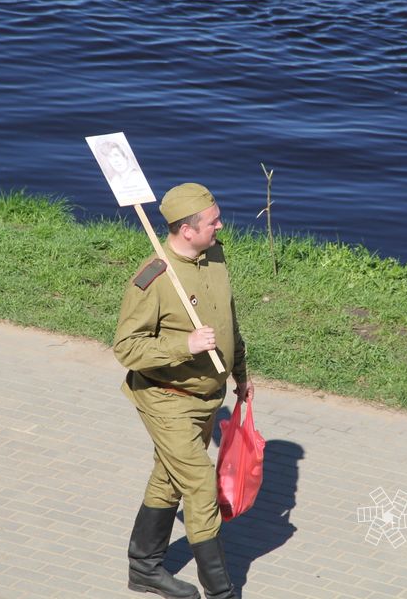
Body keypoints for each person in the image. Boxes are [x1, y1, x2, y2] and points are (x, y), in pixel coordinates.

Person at [113, 182, 253, 599]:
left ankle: (144, 569)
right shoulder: (153, 277)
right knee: (198, 483)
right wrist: (184, 345)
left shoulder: (215, 257)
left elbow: (228, 320)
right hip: (165, 397)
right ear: (187, 230)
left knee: (169, 479)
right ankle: (221, 592)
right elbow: (126, 347)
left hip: (208, 397)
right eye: (213, 222)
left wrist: (240, 374)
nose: (220, 225)